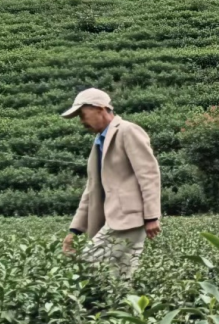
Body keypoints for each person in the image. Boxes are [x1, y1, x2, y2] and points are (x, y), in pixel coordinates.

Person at [60, 88, 162, 280]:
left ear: (100, 108)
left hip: (127, 219)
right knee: (121, 280)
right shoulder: (99, 141)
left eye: (82, 114)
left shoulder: (127, 131)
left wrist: (152, 216)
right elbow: (91, 190)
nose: (81, 121)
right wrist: (75, 230)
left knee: (85, 266)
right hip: (113, 218)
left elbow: (148, 174)